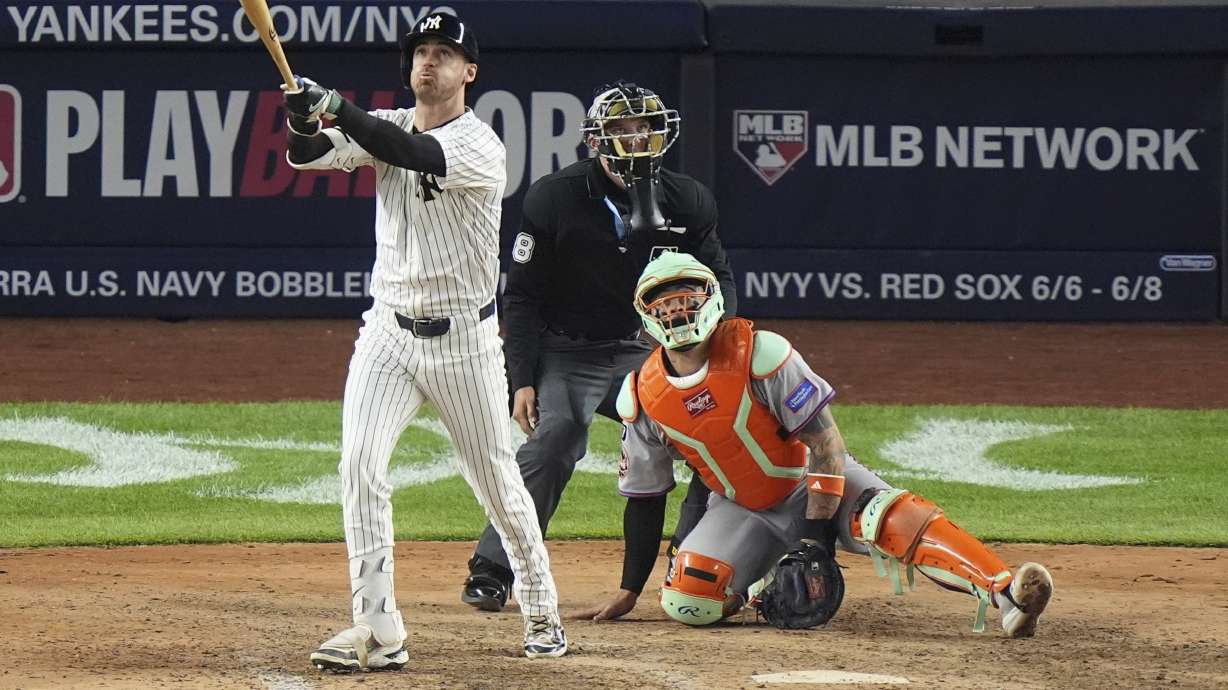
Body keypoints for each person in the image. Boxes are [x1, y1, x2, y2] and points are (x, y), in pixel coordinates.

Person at [281, 12, 568, 668]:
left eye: (443, 53)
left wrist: (336, 105)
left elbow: (412, 154)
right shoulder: (391, 124)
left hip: (464, 343)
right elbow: (311, 157)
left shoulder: (479, 145)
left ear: (469, 71)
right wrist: (305, 122)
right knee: (358, 465)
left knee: (495, 478)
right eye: (420, 51)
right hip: (387, 331)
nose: (428, 62)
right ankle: (378, 632)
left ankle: (542, 609)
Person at [574, 251, 1054, 639]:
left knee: (892, 517)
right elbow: (644, 495)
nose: (676, 309)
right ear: (646, 316)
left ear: (712, 300)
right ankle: (764, 588)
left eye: (686, 296)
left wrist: (814, 540)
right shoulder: (641, 394)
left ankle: (1007, 592)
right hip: (741, 507)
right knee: (688, 601)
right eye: (663, 301)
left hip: (811, 482)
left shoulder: (762, 354)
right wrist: (629, 589)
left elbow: (826, 444)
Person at [460, 81, 737, 612]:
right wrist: (521, 378)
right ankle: (495, 567)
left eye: (644, 129)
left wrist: (718, 357)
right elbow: (520, 298)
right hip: (566, 349)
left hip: (645, 349)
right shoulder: (554, 197)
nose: (635, 140)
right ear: (595, 140)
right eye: (621, 130)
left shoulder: (689, 198)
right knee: (553, 439)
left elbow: (717, 278)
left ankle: (696, 556)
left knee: (709, 435)